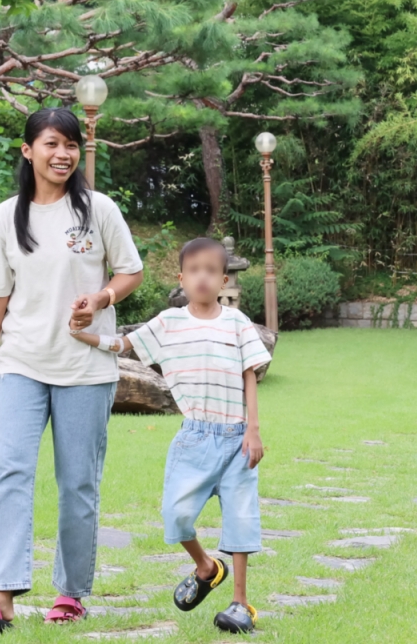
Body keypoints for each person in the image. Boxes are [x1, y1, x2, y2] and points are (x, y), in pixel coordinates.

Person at [0, 107, 144, 633]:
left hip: (85, 368)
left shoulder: (98, 209)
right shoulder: (4, 218)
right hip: (20, 365)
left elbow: (131, 270)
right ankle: (1, 594)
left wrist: (101, 297)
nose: (63, 154)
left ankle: (71, 592)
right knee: (9, 471)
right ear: (28, 150)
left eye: (71, 145)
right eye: (52, 144)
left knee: (78, 483)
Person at [70, 237, 270, 634]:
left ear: (223, 279)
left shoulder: (237, 323)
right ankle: (206, 567)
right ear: (181, 278)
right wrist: (84, 336)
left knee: (240, 521)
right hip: (193, 439)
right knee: (175, 516)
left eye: (211, 271)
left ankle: (241, 604)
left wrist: (253, 429)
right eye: (194, 271)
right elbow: (124, 344)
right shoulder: (168, 323)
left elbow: (250, 374)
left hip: (235, 438)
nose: (202, 278)